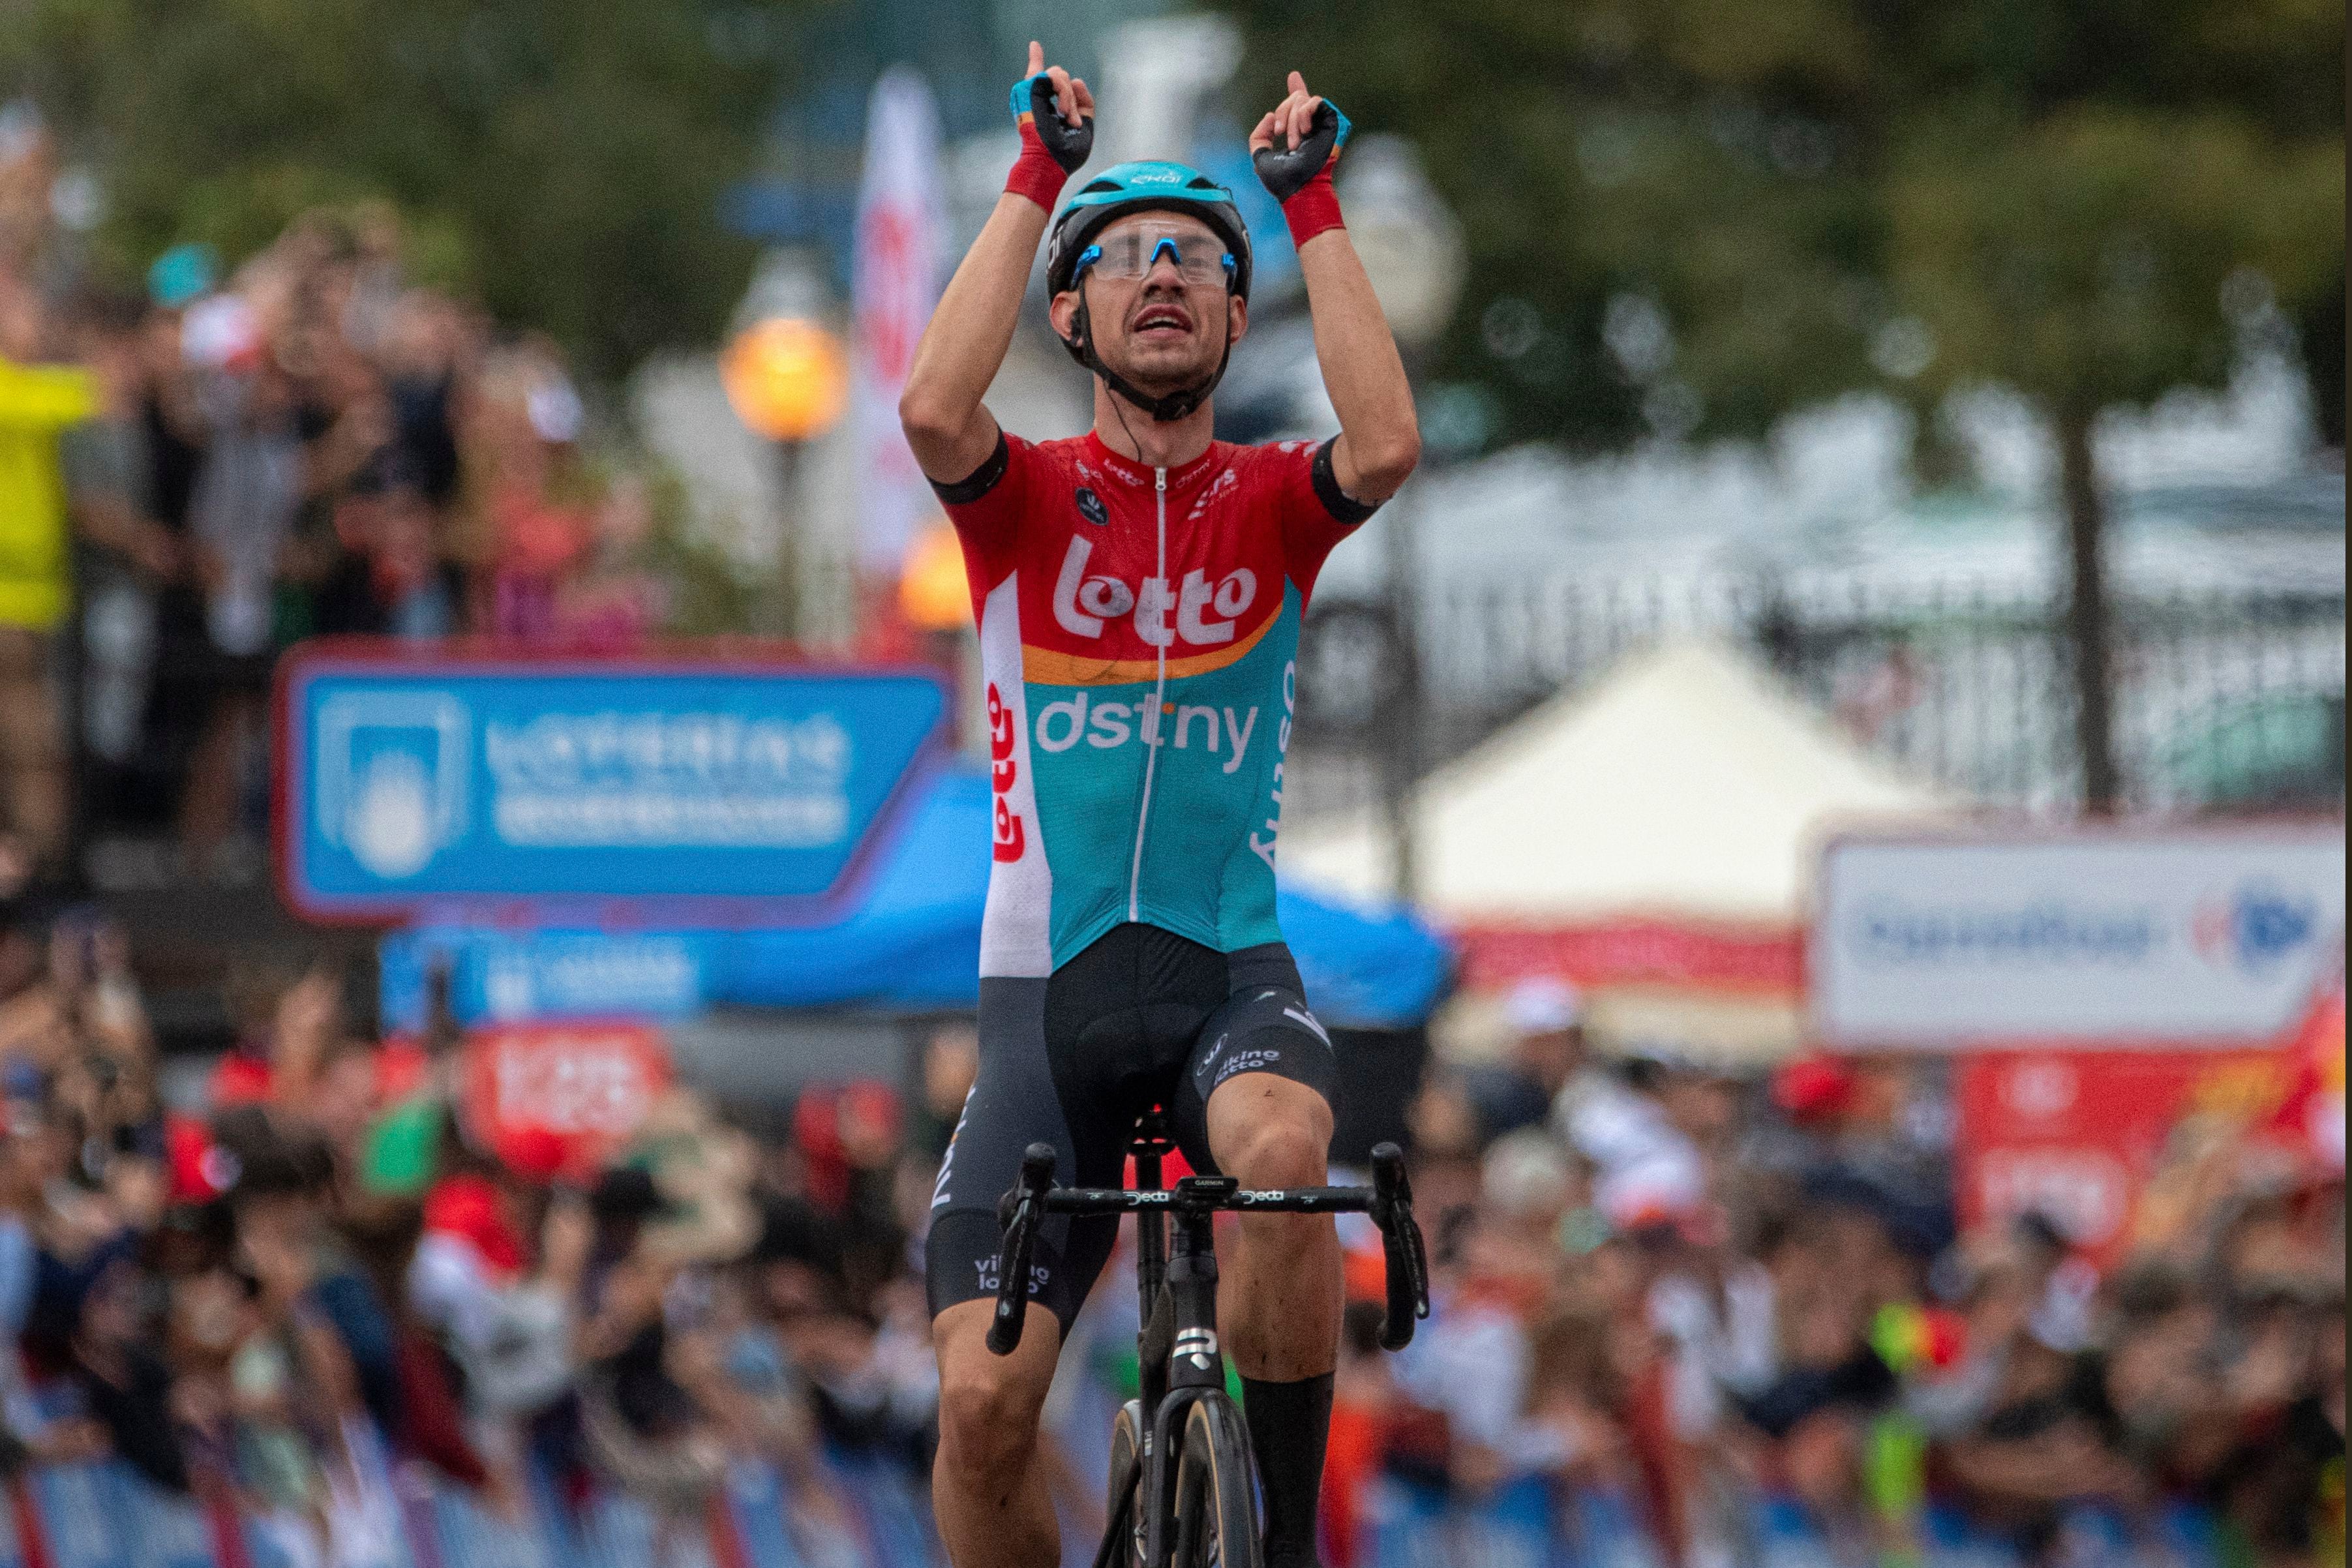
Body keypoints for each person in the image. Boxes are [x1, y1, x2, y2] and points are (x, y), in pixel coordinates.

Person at [898, 40, 1420, 1568]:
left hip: (1226, 976)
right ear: (1071, 317)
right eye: (1121, 263)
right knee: (983, 1408)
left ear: (1240, 312)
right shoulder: (1022, 501)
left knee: (1276, 1144)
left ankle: (1277, 1544)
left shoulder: (1268, 505)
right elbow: (936, 407)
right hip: (1042, 1014)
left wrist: (1310, 203)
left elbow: (1383, 445)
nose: (1164, 279)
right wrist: (1033, 178)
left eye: (1198, 259)